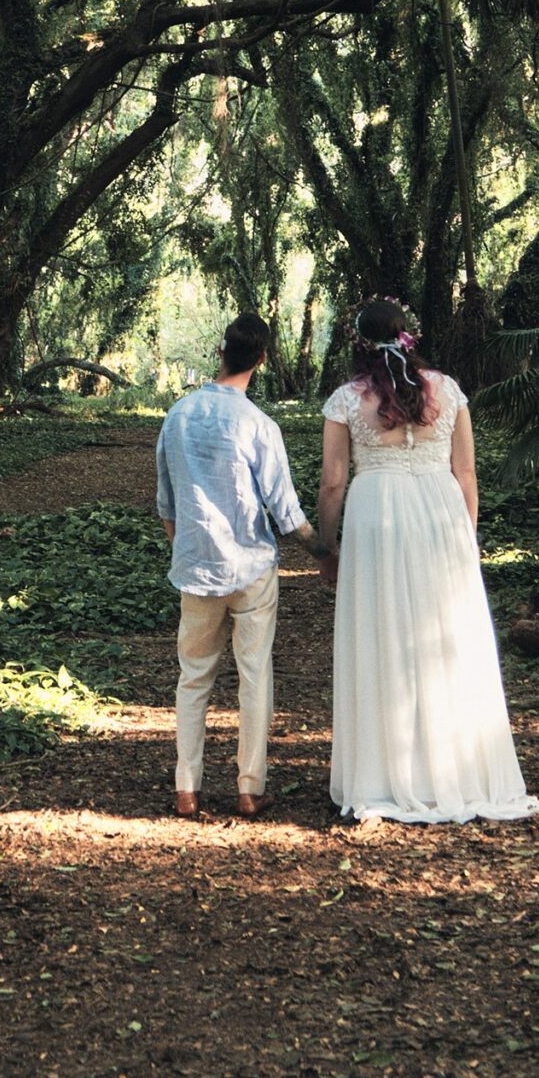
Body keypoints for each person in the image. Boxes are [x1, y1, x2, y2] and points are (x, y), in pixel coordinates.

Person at [318, 298, 539, 825]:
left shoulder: (345, 400)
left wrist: (327, 547)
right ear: (410, 334)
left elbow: (334, 482)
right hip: (440, 511)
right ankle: (456, 770)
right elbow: (466, 472)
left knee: (385, 634)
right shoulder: (447, 390)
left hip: (377, 513)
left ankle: (385, 775)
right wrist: (465, 537)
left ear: (357, 341)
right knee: (448, 638)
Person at [155, 312, 327, 817]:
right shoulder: (259, 425)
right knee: (255, 676)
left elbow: (166, 504)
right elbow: (286, 509)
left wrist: (187, 548)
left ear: (220, 352)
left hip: (196, 568)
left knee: (194, 677)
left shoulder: (178, 415)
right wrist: (324, 551)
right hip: (252, 569)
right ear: (263, 360)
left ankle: (187, 787)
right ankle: (249, 787)